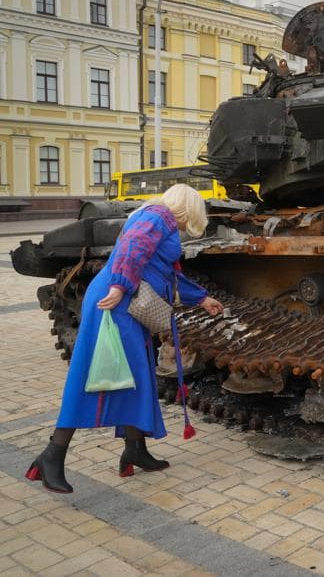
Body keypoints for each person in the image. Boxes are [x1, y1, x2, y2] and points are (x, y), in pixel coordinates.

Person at [25, 184, 224, 494]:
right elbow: (132, 248)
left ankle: (135, 449)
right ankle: (52, 455)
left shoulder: (154, 216)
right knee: (91, 376)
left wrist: (201, 298)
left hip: (124, 301)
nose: (190, 224)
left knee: (136, 377)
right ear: (187, 208)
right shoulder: (158, 217)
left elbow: (163, 272)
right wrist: (119, 286)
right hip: (116, 302)